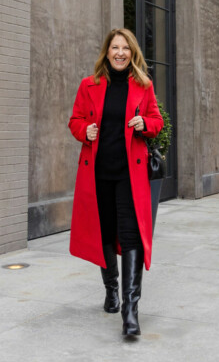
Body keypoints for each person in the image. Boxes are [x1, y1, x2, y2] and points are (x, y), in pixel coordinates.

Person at [68, 28, 164, 337]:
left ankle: (130, 310)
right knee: (105, 234)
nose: (120, 52)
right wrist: (86, 132)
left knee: (131, 235)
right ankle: (111, 289)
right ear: (107, 52)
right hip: (98, 173)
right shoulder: (89, 85)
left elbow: (157, 122)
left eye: (125, 48)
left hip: (129, 175)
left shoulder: (143, 86)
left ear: (132, 53)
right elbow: (75, 121)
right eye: (115, 48)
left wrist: (144, 124)